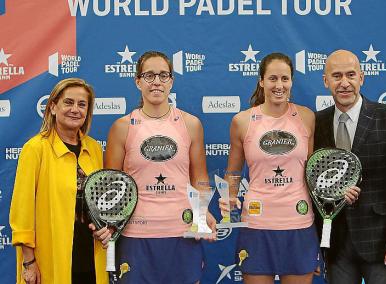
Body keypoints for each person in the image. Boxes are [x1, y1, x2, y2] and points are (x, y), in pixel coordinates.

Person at [104, 50, 216, 284]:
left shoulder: (191, 124)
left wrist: (202, 213)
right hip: (136, 236)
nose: (156, 81)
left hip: (182, 232)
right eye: (149, 75)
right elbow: (111, 187)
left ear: (171, 81)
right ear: (138, 81)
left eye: (163, 75)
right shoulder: (122, 127)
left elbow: (200, 179)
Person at [222, 52, 329, 284]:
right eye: (272, 79)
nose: (279, 85)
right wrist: (229, 196)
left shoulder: (306, 117)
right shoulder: (242, 121)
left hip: (299, 223)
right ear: (261, 81)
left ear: (291, 81)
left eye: (284, 79)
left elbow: (312, 171)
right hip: (257, 224)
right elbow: (233, 172)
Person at [314, 49, 386, 284]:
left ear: (361, 77)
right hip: (336, 246)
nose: (344, 83)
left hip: (381, 243)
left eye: (351, 75)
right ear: (325, 81)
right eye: (337, 76)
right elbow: (313, 185)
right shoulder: (316, 122)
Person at [9, 78, 109, 284]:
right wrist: (29, 263)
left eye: (82, 104)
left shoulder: (95, 149)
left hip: (91, 254)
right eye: (68, 102)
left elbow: (102, 202)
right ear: (53, 107)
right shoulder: (35, 149)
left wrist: (107, 228)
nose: (75, 109)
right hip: (50, 258)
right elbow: (22, 211)